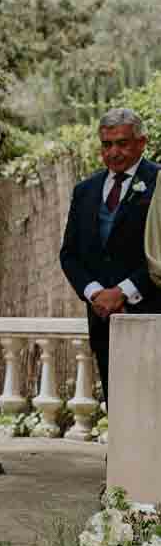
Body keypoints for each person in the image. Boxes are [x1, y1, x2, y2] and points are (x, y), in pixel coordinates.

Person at [60, 106, 161, 402]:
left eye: (122, 143)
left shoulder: (158, 184)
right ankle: (117, 451)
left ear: (141, 142)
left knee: (152, 405)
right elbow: (69, 254)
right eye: (107, 144)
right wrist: (95, 294)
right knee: (116, 403)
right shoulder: (85, 190)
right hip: (102, 318)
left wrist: (124, 291)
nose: (113, 152)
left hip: (151, 312)